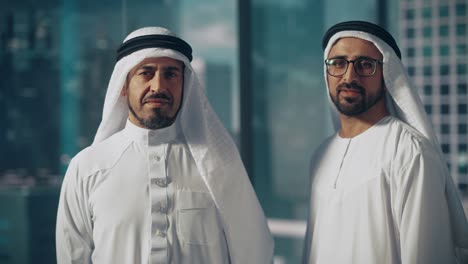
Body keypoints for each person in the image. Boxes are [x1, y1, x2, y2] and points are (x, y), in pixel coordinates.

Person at [56, 27, 274, 264]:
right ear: (123, 84)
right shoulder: (87, 168)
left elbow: (255, 252)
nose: (158, 86)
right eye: (146, 73)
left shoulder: (219, 164)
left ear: (185, 85)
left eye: (171, 74)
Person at [302, 21, 468, 264]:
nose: (349, 76)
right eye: (338, 63)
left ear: (387, 74)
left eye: (365, 65)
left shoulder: (409, 152)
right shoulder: (321, 155)